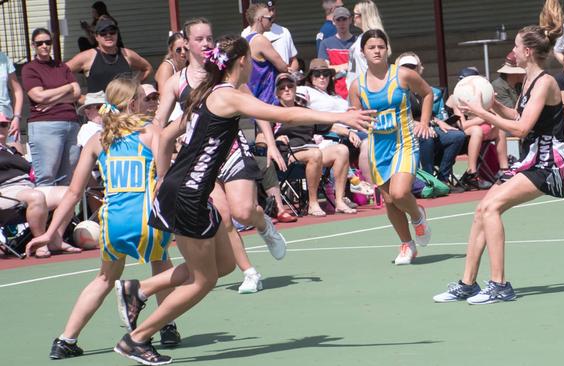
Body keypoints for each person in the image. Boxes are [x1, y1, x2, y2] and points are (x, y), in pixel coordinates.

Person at [112, 34, 372, 365]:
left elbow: (164, 137)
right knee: (203, 281)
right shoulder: (226, 97)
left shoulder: (204, 95)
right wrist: (340, 118)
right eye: (254, 60)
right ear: (242, 62)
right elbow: (285, 115)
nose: (255, 66)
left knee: (223, 266)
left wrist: (165, 178)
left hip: (187, 190)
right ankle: (136, 339)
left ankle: (139, 290)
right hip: (189, 194)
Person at [25, 76, 181, 359]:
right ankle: (166, 326)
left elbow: (73, 192)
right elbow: (164, 180)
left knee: (104, 279)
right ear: (133, 103)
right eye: (143, 99)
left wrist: (49, 233)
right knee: (161, 265)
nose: (148, 103)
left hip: (113, 222)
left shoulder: (99, 139)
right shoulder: (152, 133)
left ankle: (65, 340)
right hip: (147, 218)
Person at [433, 0, 564, 305]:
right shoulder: (529, 81)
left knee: (492, 209)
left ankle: (499, 285)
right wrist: (494, 104)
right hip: (533, 158)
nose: (513, 51)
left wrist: (482, 111)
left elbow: (519, 130)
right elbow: (518, 116)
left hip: (549, 163)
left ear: (529, 51)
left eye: (517, 46)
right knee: (481, 210)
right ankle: (467, 284)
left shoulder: (546, 82)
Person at [154, 18, 287, 295]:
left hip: (232, 150)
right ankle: (249, 272)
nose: (206, 43)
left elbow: (258, 108)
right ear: (186, 43)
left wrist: (270, 143)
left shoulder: (226, 74)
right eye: (199, 39)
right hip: (201, 161)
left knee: (243, 211)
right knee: (224, 216)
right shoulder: (176, 82)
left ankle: (264, 224)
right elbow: (159, 125)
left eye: (209, 38)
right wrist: (160, 165)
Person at [348, 29, 432, 265]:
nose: (376, 51)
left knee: (399, 193)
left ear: (387, 49)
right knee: (389, 200)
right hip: (378, 147)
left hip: (404, 142)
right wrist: (352, 124)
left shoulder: (403, 75)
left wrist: (424, 122)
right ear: (363, 52)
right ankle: (407, 245)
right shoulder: (357, 86)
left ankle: (417, 216)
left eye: (380, 47)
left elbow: (427, 94)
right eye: (371, 47)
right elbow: (355, 114)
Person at [275, 72, 357, 216]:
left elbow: (329, 126)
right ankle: (313, 203)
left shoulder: (306, 112)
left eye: (290, 86)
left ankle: (339, 201)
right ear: (277, 93)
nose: (287, 89)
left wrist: (348, 132)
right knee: (315, 153)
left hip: (312, 152)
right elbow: (261, 137)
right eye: (282, 88)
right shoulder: (272, 112)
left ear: (295, 89)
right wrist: (275, 140)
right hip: (287, 156)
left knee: (342, 150)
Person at [0, 117, 80, 258]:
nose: (1, 127)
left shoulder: (11, 149)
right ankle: (40, 243)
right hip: (5, 191)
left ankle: (55, 238)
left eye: (3, 124)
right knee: (36, 197)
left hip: (27, 187)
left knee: (70, 193)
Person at [396, 53, 465, 192]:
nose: (409, 70)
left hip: (427, 125)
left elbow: (428, 113)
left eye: (412, 67)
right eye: (405, 67)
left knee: (458, 136)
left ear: (419, 69)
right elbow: (396, 115)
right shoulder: (397, 90)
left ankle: (443, 179)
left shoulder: (422, 88)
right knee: (425, 136)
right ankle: (429, 180)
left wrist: (438, 121)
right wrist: (422, 125)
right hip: (405, 130)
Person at [21, 28, 81, 186]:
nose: (44, 46)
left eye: (48, 42)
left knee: (66, 179)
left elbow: (77, 92)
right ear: (33, 45)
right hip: (45, 125)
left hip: (71, 124)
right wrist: (66, 88)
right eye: (40, 43)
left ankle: (62, 212)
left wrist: (53, 101)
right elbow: (38, 96)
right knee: (46, 177)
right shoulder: (30, 69)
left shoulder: (61, 66)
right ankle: (45, 211)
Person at [450, 67, 508, 190]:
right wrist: (483, 117)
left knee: (500, 128)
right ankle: (472, 172)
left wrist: (488, 112)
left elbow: (497, 117)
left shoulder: (484, 95)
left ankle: (504, 169)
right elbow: (463, 125)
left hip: (483, 130)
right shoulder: (457, 98)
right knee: (476, 129)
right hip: (465, 133)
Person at [67, 16, 152, 94]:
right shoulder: (88, 56)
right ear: (96, 37)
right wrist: (79, 96)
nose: (108, 35)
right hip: (99, 108)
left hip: (125, 107)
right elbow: (61, 73)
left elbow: (147, 68)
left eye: (112, 32)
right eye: (103, 33)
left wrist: (133, 85)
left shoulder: (127, 54)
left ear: (117, 34)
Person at [245, 2, 290, 104]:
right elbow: (283, 67)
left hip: (256, 99)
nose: (272, 21)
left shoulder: (247, 40)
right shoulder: (260, 40)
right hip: (267, 99)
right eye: (269, 19)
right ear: (260, 19)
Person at [242, 0, 299, 71]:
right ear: (260, 19)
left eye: (273, 9)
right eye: (269, 17)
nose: (271, 14)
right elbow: (282, 67)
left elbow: (293, 60)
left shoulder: (284, 31)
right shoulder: (258, 38)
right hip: (266, 82)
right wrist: (286, 70)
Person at [346, 0, 388, 90]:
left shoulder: (374, 37)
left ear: (364, 15)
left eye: (355, 14)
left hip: (367, 90)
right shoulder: (362, 37)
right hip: (356, 90)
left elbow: (376, 66)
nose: (353, 17)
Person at [318, 6, 356, 98]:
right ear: (334, 22)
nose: (341, 23)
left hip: (355, 92)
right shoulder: (326, 43)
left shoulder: (358, 42)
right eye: (338, 20)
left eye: (344, 19)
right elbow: (323, 70)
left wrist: (335, 68)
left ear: (350, 20)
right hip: (333, 94)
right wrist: (347, 66)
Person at [0, 50, 23, 147]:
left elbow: (17, 90)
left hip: (6, 119)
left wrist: (16, 117)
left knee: (16, 157)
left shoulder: (3, 58)